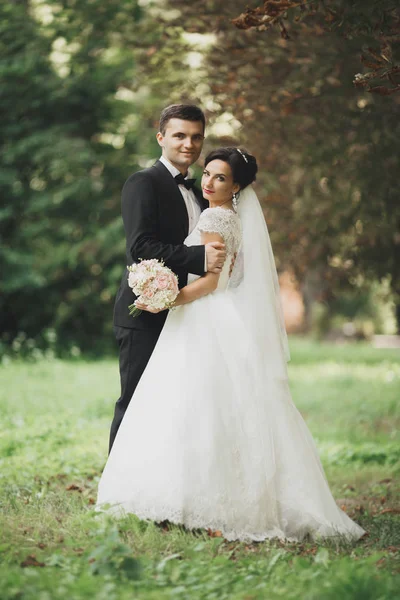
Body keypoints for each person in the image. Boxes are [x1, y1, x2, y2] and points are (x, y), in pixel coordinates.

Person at [97, 147, 365, 542]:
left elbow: (212, 281)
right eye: (207, 173)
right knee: (224, 406)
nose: (208, 182)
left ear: (236, 186)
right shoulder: (234, 219)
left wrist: (167, 299)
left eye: (220, 177)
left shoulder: (212, 216)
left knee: (191, 406)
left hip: (203, 314)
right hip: (223, 317)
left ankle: (193, 497)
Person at [110, 104, 227, 452]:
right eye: (179, 135)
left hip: (189, 314)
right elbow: (140, 246)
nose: (188, 144)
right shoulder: (143, 182)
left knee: (175, 406)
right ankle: (116, 489)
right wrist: (199, 257)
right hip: (145, 311)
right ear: (161, 137)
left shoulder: (200, 191)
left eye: (195, 137)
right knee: (134, 401)